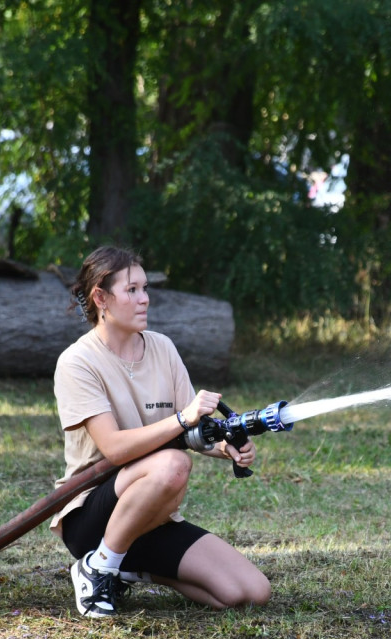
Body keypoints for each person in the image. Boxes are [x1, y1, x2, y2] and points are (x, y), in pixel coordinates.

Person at [51, 245, 271, 618]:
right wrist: (183, 420)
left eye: (145, 288)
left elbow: (194, 430)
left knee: (249, 593)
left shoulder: (162, 348)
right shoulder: (78, 362)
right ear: (101, 298)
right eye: (132, 290)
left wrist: (226, 445)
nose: (145, 299)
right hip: (92, 514)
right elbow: (116, 450)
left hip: (150, 515)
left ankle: (124, 566)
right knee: (171, 464)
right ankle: (97, 566)